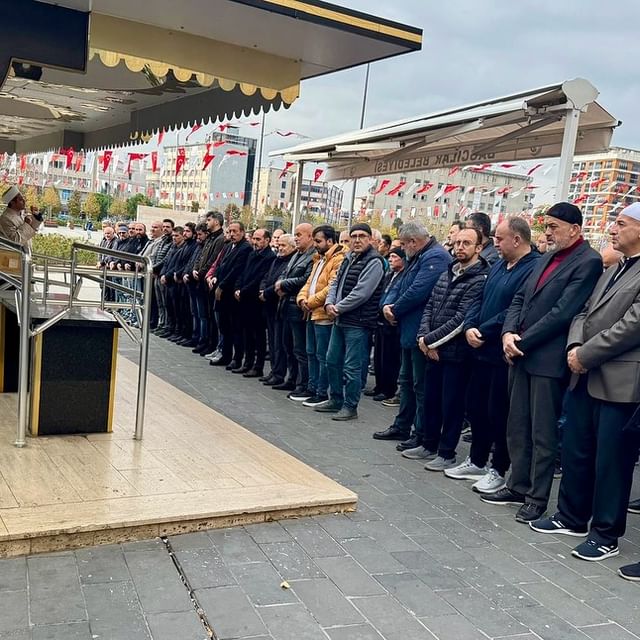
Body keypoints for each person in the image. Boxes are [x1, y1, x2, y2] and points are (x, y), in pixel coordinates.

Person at [530, 202, 640, 566]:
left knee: (612, 461)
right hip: (584, 372)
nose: (612, 229)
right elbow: (584, 311)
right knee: (577, 448)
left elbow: (631, 327)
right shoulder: (613, 269)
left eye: (621, 223)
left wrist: (586, 353)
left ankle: (606, 533)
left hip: (619, 380)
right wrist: (575, 345)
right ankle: (571, 516)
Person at [481, 202, 602, 524]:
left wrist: (522, 341)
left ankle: (537, 497)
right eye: (545, 227)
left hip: (546, 359)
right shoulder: (545, 257)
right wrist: (507, 333)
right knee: (517, 425)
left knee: (543, 432)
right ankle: (517, 485)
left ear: (575, 229)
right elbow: (519, 299)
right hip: (519, 354)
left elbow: (563, 313)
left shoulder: (587, 261)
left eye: (553, 227)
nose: (546, 232)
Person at [446, 218, 540, 492]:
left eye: (499, 239)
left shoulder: (532, 267)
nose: (494, 244)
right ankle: (476, 460)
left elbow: (515, 309)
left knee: (499, 413)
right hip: (479, 350)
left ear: (517, 239)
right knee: (475, 407)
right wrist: (471, 325)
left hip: (502, 352)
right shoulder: (499, 264)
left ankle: (499, 468)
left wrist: (484, 331)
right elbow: (479, 297)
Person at [409, 227, 489, 471]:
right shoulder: (448, 272)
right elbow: (431, 305)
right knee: (431, 399)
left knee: (451, 405)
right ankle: (428, 444)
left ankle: (446, 452)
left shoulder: (479, 278)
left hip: (455, 353)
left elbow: (461, 319)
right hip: (432, 350)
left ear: (478, 247)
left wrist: (430, 341)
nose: (460, 247)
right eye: (457, 242)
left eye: (467, 243)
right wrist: (423, 337)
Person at [372, 222, 451, 448]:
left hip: (422, 332)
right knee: (406, 381)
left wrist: (394, 309)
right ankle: (402, 425)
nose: (401, 248)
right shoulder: (417, 256)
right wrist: (387, 305)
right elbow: (399, 285)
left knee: (420, 385)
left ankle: (421, 431)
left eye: (404, 244)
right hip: (408, 329)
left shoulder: (435, 257)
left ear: (413, 242)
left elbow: (418, 291)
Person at [315, 223, 385, 421]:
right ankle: (335, 399)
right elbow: (335, 283)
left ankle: (350, 406)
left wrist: (338, 307)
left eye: (362, 235)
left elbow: (362, 293)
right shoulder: (348, 258)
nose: (356, 239)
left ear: (370, 239)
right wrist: (330, 302)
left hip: (358, 322)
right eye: (353, 236)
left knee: (351, 367)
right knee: (331, 360)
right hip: (340, 318)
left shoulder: (375, 262)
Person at [296, 225, 346, 406]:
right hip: (310, 313)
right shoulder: (319, 259)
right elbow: (309, 282)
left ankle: (321, 391)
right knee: (311, 352)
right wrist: (302, 298)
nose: (315, 245)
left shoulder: (338, 260)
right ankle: (312, 387)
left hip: (323, 315)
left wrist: (311, 302)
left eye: (318, 241)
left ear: (330, 241)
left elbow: (331, 287)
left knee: (322, 355)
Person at [273, 223, 315, 397]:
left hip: (298, 307)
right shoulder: (297, 254)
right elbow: (286, 273)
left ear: (310, 236)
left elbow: (306, 279)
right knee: (287, 345)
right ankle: (291, 379)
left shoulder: (313, 256)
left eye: (299, 234)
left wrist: (283, 284)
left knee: (300, 349)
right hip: (286, 305)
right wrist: (281, 281)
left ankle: (302, 383)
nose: (296, 238)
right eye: (295, 235)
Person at [234, 228, 275, 376]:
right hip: (244, 299)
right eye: (254, 239)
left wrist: (243, 290)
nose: (255, 242)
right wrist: (238, 287)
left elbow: (259, 278)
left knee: (258, 335)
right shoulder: (252, 254)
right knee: (247, 333)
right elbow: (243, 273)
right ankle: (248, 363)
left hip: (256, 301)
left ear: (267, 240)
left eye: (259, 239)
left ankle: (258, 367)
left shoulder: (270, 257)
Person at [212, 222, 252, 368]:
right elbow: (221, 265)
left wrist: (222, 286)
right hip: (221, 291)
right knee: (223, 326)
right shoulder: (229, 246)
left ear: (242, 232)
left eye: (235, 231)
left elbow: (236, 270)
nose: (232, 234)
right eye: (230, 231)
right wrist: (215, 276)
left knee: (235, 327)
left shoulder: (245, 248)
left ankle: (236, 358)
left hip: (230, 293)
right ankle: (226, 354)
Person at [259, 234, 297, 386]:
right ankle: (274, 371)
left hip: (279, 304)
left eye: (284, 245)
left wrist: (267, 292)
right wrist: (262, 289)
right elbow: (267, 277)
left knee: (281, 344)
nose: (280, 248)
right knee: (274, 342)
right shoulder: (277, 259)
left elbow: (279, 284)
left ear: (292, 247)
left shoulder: (290, 261)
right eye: (279, 245)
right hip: (269, 304)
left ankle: (280, 373)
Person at [369, 247, 405, 401]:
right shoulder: (389, 275)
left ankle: (388, 388)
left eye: (394, 256)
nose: (390, 259)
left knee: (390, 358)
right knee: (378, 356)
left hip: (392, 322)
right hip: (380, 320)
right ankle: (379, 386)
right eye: (390, 256)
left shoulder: (404, 276)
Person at [195, 212, 225, 356]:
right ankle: (206, 342)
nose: (206, 222)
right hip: (201, 279)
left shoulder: (220, 239)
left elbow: (214, 260)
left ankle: (212, 344)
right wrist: (196, 269)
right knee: (203, 314)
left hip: (208, 281)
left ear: (217, 222)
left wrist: (203, 273)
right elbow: (201, 256)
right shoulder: (210, 237)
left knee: (210, 316)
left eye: (209, 220)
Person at [152, 219, 175, 336]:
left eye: (168, 227)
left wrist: (155, 268)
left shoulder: (172, 241)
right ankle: (161, 324)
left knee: (165, 303)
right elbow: (156, 255)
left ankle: (166, 325)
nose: (165, 228)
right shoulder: (163, 240)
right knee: (159, 302)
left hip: (162, 274)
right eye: (164, 226)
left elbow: (166, 259)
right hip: (156, 274)